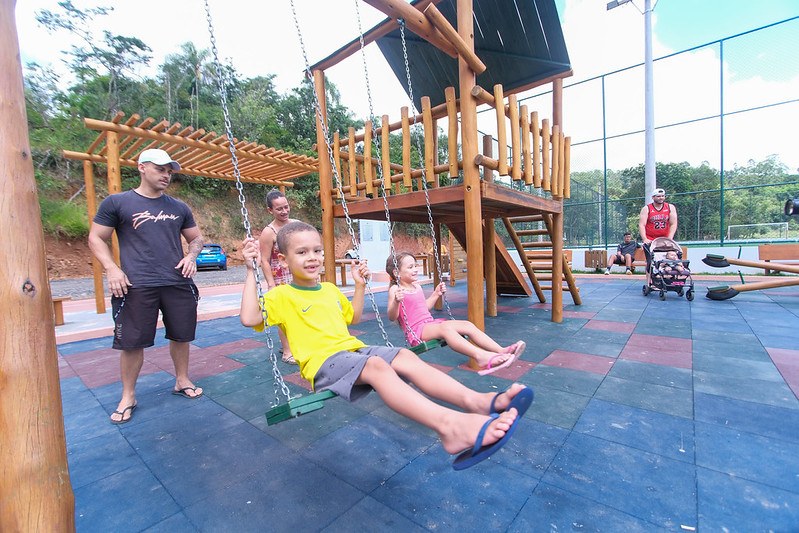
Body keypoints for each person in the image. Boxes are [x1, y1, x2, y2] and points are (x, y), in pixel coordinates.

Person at [239, 222, 533, 470]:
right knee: (377, 366)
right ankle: (450, 427)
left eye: (317, 250)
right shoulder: (281, 295)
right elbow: (249, 317)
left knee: (404, 355)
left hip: (351, 350)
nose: (312, 257)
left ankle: (478, 402)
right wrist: (251, 271)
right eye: (301, 252)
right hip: (322, 364)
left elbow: (352, 317)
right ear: (284, 257)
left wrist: (357, 285)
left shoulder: (328, 289)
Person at [88, 148, 205, 424]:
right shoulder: (118, 203)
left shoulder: (179, 207)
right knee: (131, 342)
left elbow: (196, 238)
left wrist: (191, 255)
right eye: (160, 168)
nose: (166, 175)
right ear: (142, 167)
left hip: (177, 281)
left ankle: (182, 379)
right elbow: (96, 238)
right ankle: (128, 395)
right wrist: (112, 268)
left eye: (169, 171)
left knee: (181, 335)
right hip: (136, 283)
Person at [385, 252, 526, 375]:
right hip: (417, 331)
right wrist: (396, 301)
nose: (415, 269)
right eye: (410, 267)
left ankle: (501, 350)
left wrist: (435, 294)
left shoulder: (417, 286)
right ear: (397, 273)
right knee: (446, 329)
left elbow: (423, 308)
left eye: (416, 265)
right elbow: (392, 316)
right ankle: (480, 356)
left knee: (467, 325)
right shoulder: (396, 289)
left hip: (430, 324)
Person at [258, 189, 300, 365]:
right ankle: (287, 351)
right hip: (280, 276)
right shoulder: (269, 232)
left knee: (300, 311)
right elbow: (264, 260)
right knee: (284, 314)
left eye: (286, 207)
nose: (284, 211)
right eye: (279, 209)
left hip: (297, 273)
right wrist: (271, 284)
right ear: (270, 210)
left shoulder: (296, 225)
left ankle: (296, 344)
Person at [638, 188, 678, 286]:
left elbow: (673, 223)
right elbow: (642, 224)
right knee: (650, 261)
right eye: (658, 196)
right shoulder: (647, 208)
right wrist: (645, 239)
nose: (661, 198)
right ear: (653, 197)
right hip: (651, 239)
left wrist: (669, 238)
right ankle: (649, 282)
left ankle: (667, 280)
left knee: (669, 259)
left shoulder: (670, 207)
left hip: (664, 239)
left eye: (662, 196)